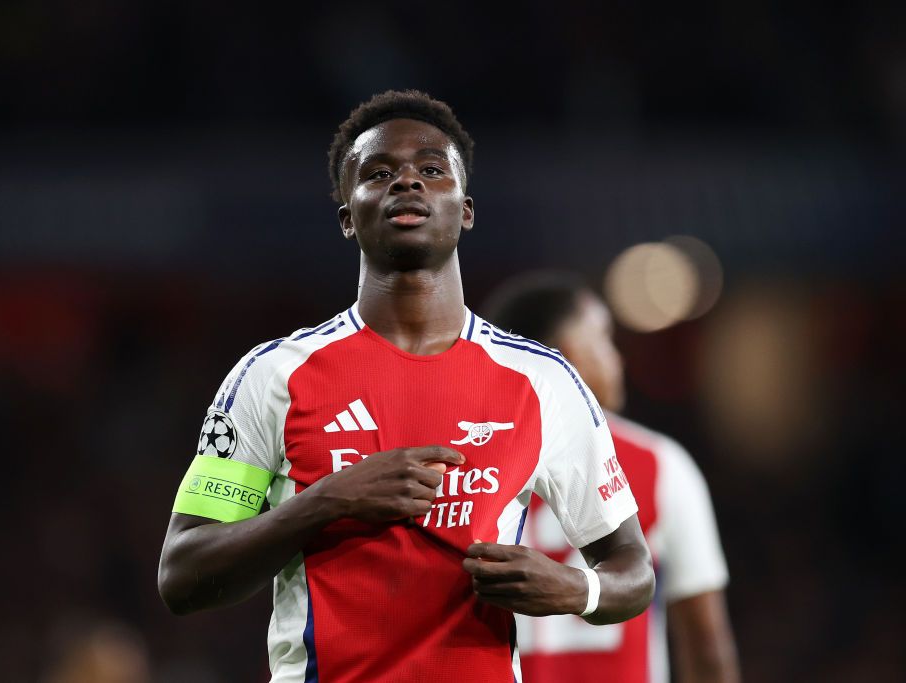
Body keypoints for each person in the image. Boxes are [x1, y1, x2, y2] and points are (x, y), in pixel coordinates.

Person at [157, 90, 654, 683]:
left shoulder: (543, 381)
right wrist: (325, 502)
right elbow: (182, 577)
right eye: (379, 173)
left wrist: (578, 588)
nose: (407, 183)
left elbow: (632, 568)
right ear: (348, 217)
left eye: (431, 169)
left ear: (465, 209)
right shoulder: (273, 376)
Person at [484, 271, 739, 683]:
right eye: (604, 339)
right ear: (568, 356)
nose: (617, 359)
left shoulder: (459, 462)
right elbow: (707, 644)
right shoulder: (658, 463)